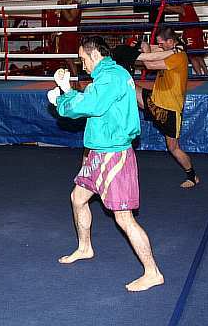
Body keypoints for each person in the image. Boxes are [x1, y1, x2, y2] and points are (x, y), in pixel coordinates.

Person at [48, 36, 164, 292]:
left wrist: (61, 101)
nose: (82, 64)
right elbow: (95, 102)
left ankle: (152, 272)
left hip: (114, 155)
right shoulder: (106, 76)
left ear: (94, 56)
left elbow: (91, 104)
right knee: (78, 198)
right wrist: (67, 90)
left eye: (83, 59)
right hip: (99, 152)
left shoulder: (111, 75)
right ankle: (85, 247)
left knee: (124, 218)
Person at [136, 26, 199, 189]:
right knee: (128, 86)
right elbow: (151, 58)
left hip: (169, 109)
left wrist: (142, 52)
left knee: (173, 147)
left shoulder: (177, 56)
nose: (161, 46)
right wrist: (146, 48)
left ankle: (192, 176)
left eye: (162, 43)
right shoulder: (170, 51)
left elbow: (149, 66)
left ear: (171, 42)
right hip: (155, 100)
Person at [55, 0, 81, 76]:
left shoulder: (75, 4)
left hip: (71, 35)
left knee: (70, 59)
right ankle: (71, 82)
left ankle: (76, 81)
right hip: (64, 35)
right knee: (66, 59)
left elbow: (70, 18)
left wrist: (62, 7)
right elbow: (60, 21)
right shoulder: (64, 6)